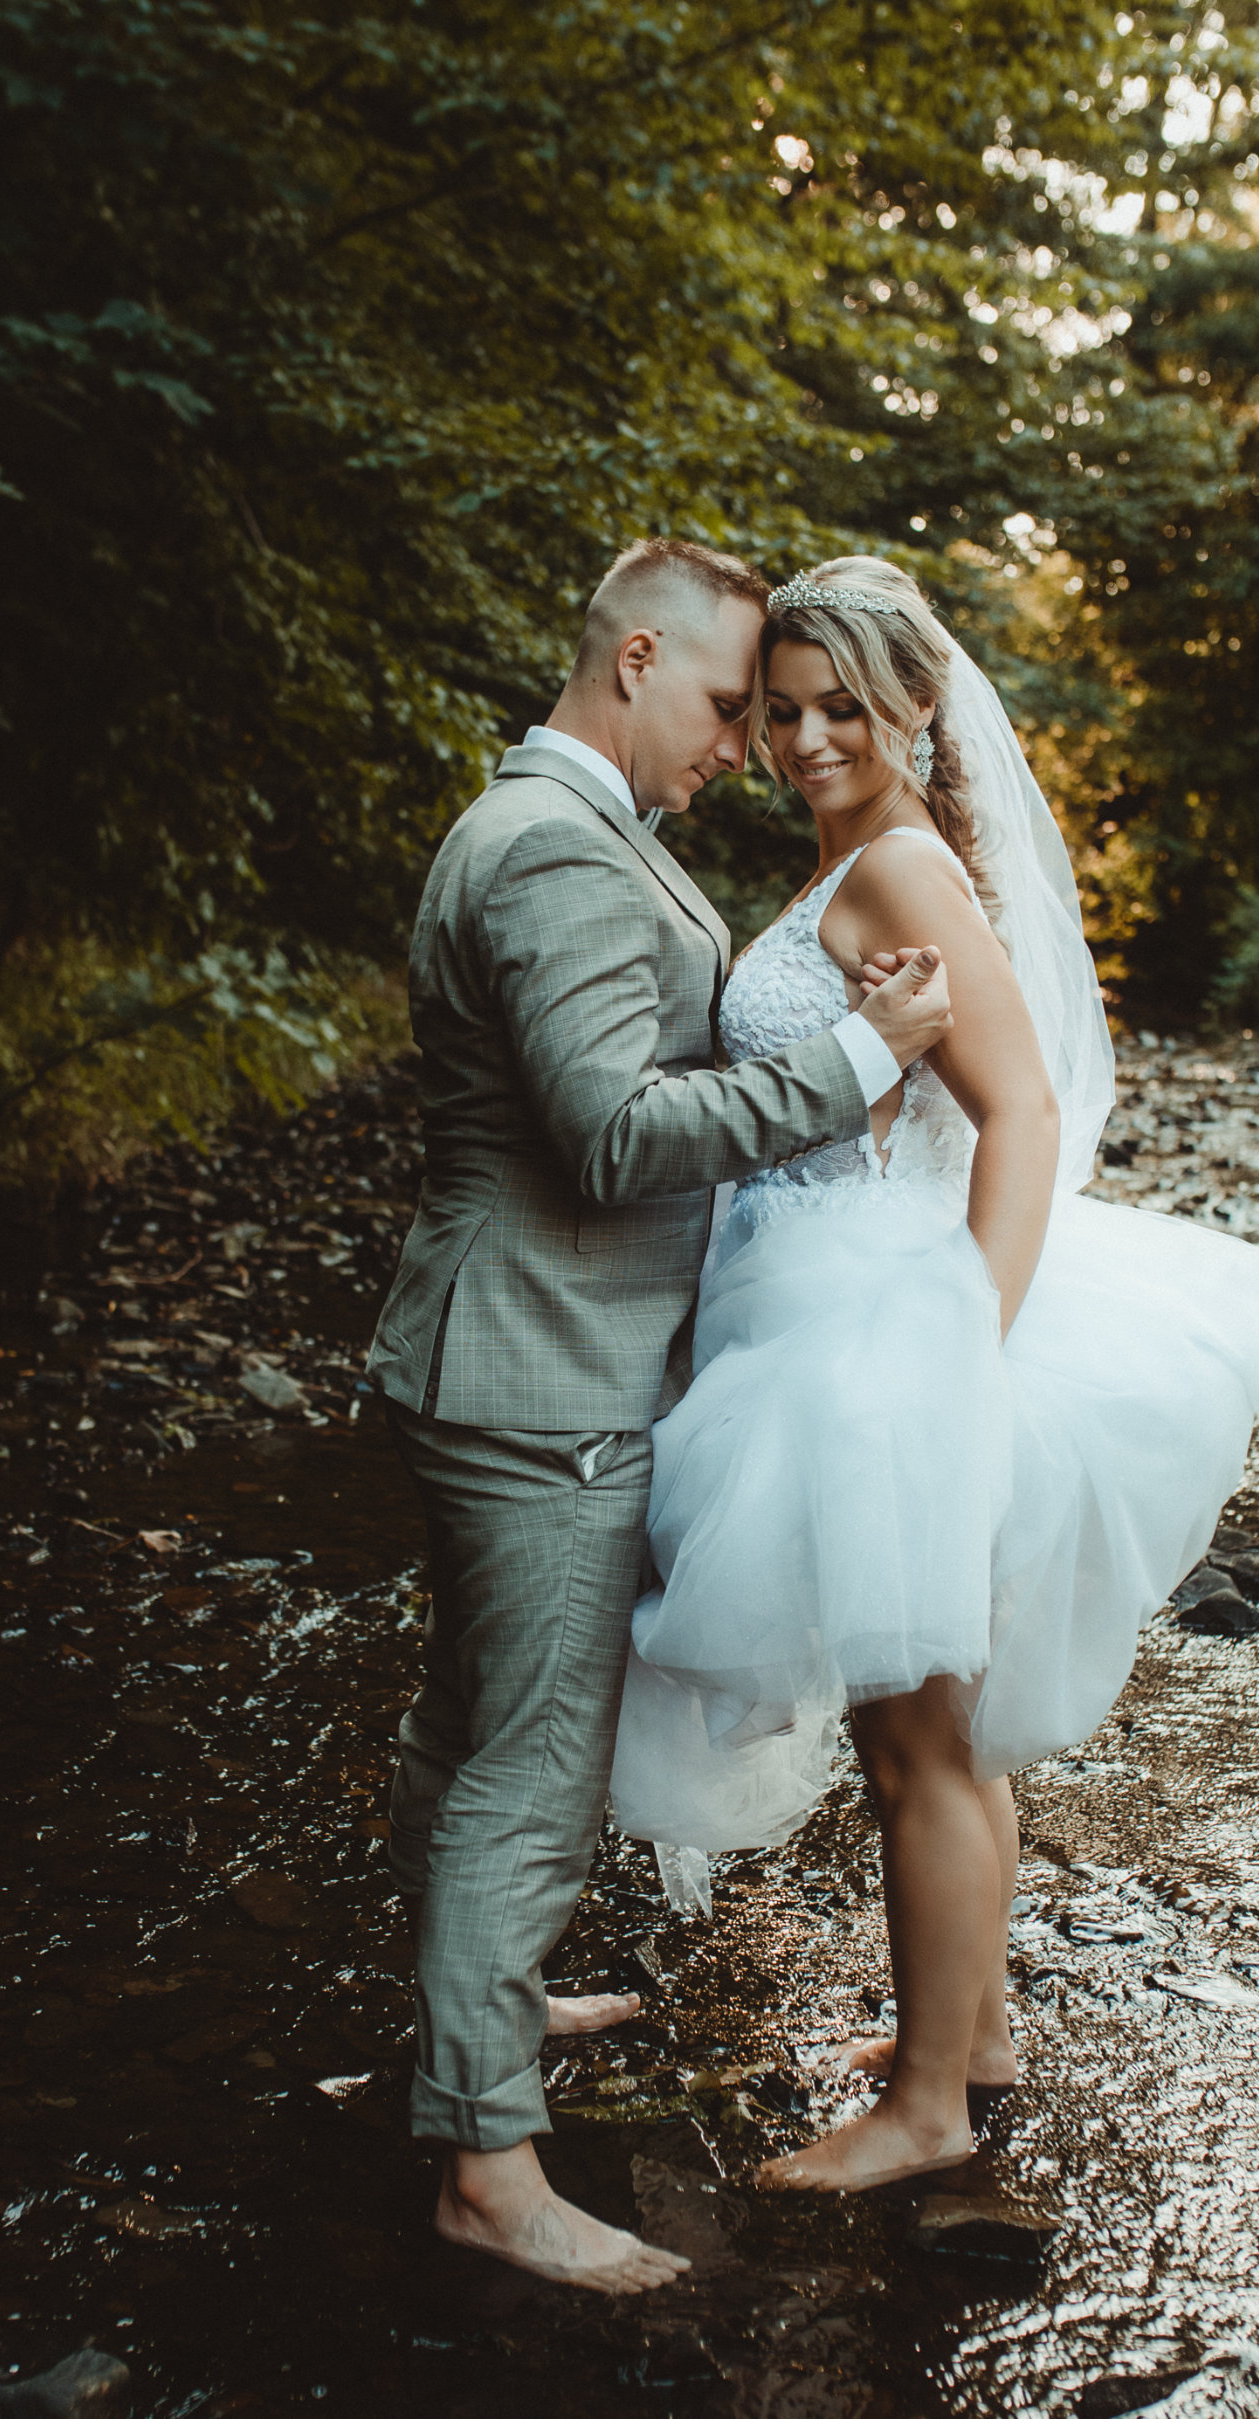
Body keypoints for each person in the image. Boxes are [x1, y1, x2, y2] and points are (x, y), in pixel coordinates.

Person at [609, 556, 1259, 2193]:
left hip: (883, 1323)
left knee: (912, 1745)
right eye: (781, 711)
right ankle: (974, 2037)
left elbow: (1027, 1116)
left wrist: (964, 1349)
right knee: (948, 1733)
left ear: (917, 707)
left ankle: (926, 2109)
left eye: (841, 710)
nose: (804, 740)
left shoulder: (900, 869)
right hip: (819, 1297)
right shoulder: (858, 857)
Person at [367, 538, 954, 2288]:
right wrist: (857, 1065)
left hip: (507, 1347)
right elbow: (614, 1134)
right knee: (532, 1764)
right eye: (720, 700)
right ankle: (485, 2167)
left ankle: (478, 2010)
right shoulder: (554, 844)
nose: (738, 744)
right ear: (633, 657)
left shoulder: (555, 822)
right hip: (538, 1363)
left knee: (468, 1719)